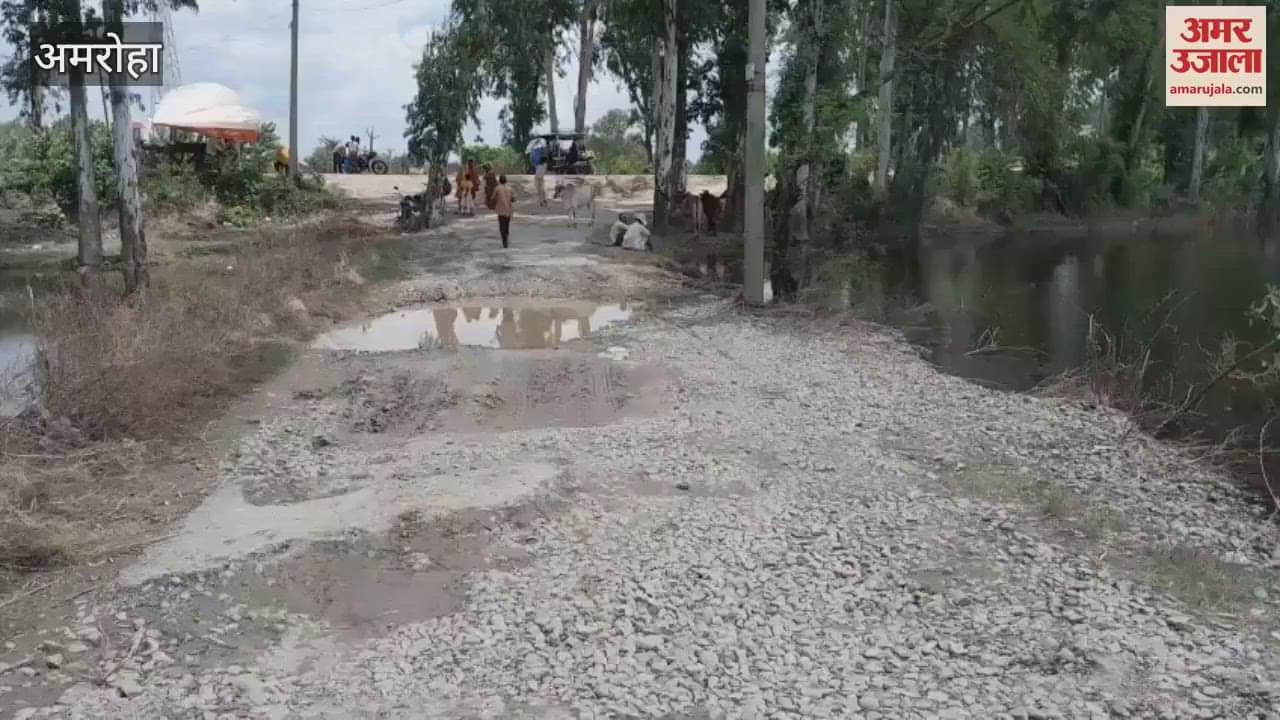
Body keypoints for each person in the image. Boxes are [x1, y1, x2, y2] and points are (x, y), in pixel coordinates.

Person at [492, 174, 515, 248]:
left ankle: (504, 241)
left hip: (501, 210)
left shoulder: (497, 188)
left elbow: (493, 197)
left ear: (499, 181)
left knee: (502, 226)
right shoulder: (510, 188)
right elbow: (514, 199)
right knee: (507, 225)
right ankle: (506, 238)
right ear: (506, 181)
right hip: (509, 210)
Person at [531, 142, 547, 207]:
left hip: (537, 178)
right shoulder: (545, 165)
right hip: (542, 178)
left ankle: (541, 202)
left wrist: (533, 154)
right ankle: (544, 200)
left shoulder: (537, 166)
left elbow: (534, 163)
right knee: (542, 190)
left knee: (539, 191)